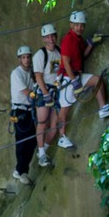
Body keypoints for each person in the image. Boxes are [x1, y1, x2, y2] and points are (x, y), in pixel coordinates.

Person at [59, 9, 109, 122]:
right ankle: (62, 136)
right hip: (68, 78)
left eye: (82, 25)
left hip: (77, 75)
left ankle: (103, 108)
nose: (79, 28)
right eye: (77, 25)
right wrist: (74, 82)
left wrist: (91, 44)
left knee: (97, 80)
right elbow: (66, 63)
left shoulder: (78, 39)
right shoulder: (68, 40)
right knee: (64, 110)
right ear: (71, 25)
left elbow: (82, 56)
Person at [32, 23, 67, 166]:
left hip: (55, 89)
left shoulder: (59, 52)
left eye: (53, 36)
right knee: (42, 121)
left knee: (54, 124)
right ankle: (41, 154)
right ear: (43, 39)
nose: (51, 39)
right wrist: (46, 95)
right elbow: (38, 77)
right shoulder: (40, 55)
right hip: (43, 90)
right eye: (47, 37)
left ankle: (43, 152)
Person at [8, 45, 36, 185]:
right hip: (19, 111)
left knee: (33, 141)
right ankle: (19, 170)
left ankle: (23, 170)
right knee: (22, 141)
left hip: (29, 110)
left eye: (28, 57)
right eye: (23, 57)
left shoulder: (32, 72)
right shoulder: (16, 73)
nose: (26, 60)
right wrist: (41, 95)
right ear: (19, 59)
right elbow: (27, 93)